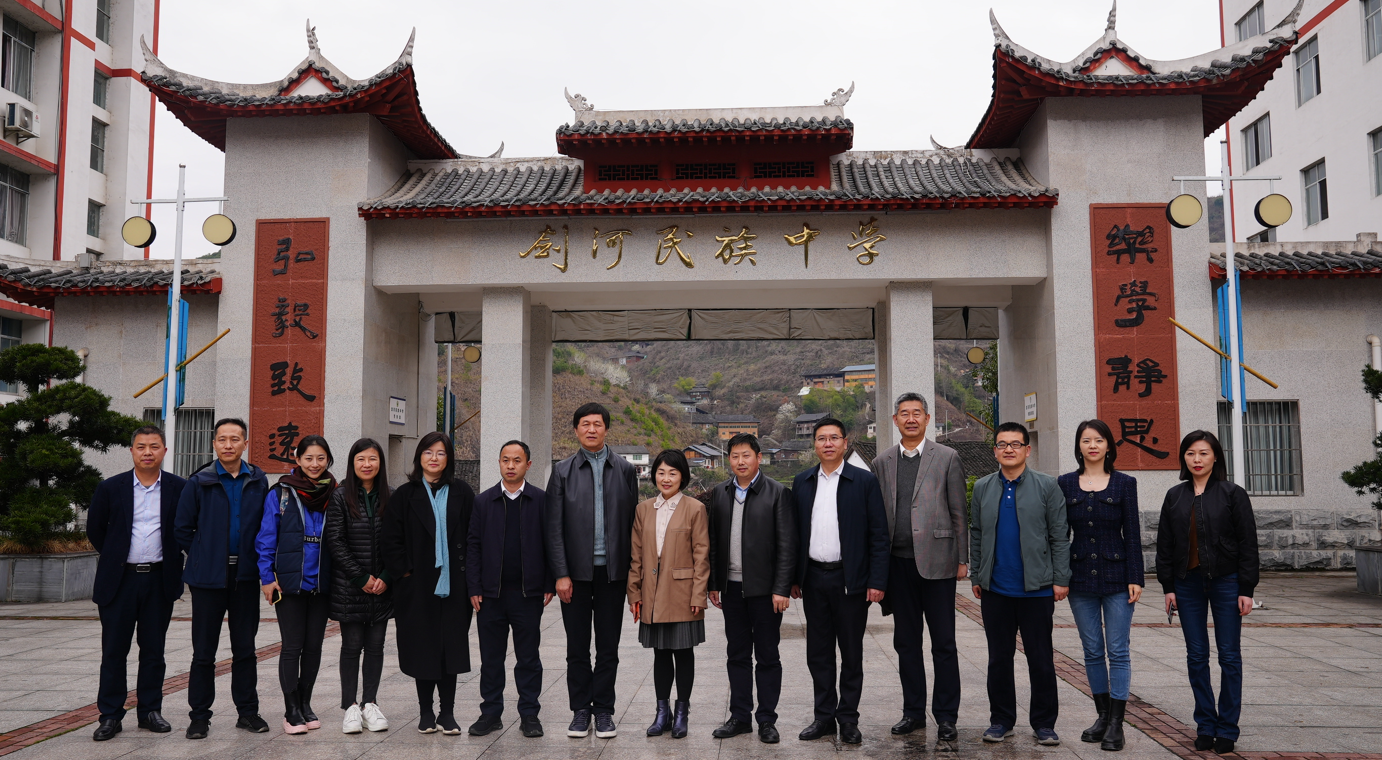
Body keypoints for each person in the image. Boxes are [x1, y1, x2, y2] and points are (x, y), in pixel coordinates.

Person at [870, 393, 967, 744]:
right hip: (898, 565)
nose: (910, 419)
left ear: (927, 418)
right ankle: (913, 712)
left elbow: (959, 511)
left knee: (944, 643)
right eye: (904, 414)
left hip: (938, 562)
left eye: (916, 413)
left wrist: (962, 558)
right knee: (906, 643)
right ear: (894, 420)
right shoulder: (881, 462)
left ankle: (946, 716)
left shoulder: (947, 457)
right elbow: (877, 516)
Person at [1156, 430, 1258, 755]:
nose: (1197, 459)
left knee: (1229, 656)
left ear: (1216, 457)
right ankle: (1205, 724)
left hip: (1227, 582)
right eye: (1190, 453)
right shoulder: (1175, 496)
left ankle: (1227, 728)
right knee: (1197, 656)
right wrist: (1168, 587)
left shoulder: (1232, 494)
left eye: (1203, 453)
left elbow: (1248, 543)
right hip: (1187, 585)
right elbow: (1165, 545)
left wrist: (1246, 588)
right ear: (1183, 458)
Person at [969, 422, 1070, 746]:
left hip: (1036, 589)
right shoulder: (983, 487)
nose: (1008, 449)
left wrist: (1060, 579)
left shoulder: (1047, 486)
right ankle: (1001, 720)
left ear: (1027, 449)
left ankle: (1044, 723)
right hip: (996, 589)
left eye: (1015, 444)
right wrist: (977, 574)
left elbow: (1059, 535)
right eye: (1002, 444)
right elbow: (976, 533)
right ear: (995, 451)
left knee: (1040, 659)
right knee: (999, 659)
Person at [791, 417, 889, 745]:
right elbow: (794, 534)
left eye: (834, 438)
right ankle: (823, 717)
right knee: (818, 652)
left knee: (851, 651)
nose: (828, 443)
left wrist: (877, 580)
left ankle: (847, 718)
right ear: (815, 445)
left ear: (845, 443)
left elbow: (878, 535)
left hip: (850, 580)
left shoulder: (864, 481)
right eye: (822, 438)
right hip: (813, 578)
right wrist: (794, 578)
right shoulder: (802, 481)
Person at [544, 402, 639, 739]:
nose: (591, 429)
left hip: (613, 574)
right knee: (577, 648)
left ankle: (604, 711)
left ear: (606, 429)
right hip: (576, 575)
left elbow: (634, 525)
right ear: (575, 430)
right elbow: (553, 528)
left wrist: (634, 577)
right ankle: (581, 710)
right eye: (585, 424)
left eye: (597, 424)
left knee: (608, 648)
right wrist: (561, 574)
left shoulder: (625, 470)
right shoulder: (562, 471)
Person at [87, 426, 187, 741]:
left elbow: (186, 529)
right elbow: (95, 529)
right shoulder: (110, 487)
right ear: (131, 451)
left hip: (159, 579)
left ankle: (150, 711)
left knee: (154, 651)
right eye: (141, 446)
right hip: (119, 581)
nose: (147, 452)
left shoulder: (179, 487)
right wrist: (116, 555)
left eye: (154, 446)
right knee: (114, 651)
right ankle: (110, 715)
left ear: (164, 451)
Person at [174, 418, 271, 739]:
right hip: (207, 579)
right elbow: (182, 528)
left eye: (235, 439)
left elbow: (266, 526)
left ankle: (248, 712)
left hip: (245, 576)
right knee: (204, 652)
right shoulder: (199, 481)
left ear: (245, 443)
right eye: (222, 439)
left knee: (245, 649)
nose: (228, 445)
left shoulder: (258, 480)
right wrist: (203, 554)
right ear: (214, 443)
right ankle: (199, 717)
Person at [1057, 419, 1144, 751]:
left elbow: (1132, 534)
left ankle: (1117, 724)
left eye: (1098, 440)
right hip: (1079, 578)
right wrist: (1059, 577)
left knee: (1118, 650)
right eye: (1086, 440)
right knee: (1092, 650)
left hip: (1118, 577)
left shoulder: (1124, 483)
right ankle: (1103, 716)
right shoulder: (1065, 483)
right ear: (1078, 447)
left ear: (1109, 446)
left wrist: (1136, 577)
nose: (1092, 446)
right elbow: (1060, 535)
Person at [382, 432, 475, 736]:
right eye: (428, 452)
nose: (434, 458)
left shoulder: (462, 492)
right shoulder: (405, 495)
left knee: (450, 649)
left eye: (441, 453)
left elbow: (473, 537)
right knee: (423, 649)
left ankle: (447, 713)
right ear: (419, 456)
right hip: (417, 587)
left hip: (455, 586)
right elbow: (391, 541)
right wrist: (405, 574)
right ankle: (425, 712)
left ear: (449, 458)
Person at [707, 433, 796, 744]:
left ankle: (767, 720)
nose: (740, 461)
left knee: (768, 656)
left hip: (766, 591)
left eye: (746, 455)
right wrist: (714, 583)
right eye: (734, 456)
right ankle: (740, 717)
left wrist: (781, 588)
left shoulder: (777, 493)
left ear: (759, 458)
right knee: (737, 655)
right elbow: (714, 542)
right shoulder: (720, 493)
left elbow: (787, 545)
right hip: (731, 589)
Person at [467, 440, 555, 739]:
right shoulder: (483, 501)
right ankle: (490, 713)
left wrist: (548, 582)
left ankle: (529, 714)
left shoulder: (541, 500)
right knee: (491, 659)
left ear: (528, 464)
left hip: (527, 594)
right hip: (490, 595)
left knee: (528, 658)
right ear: (499, 463)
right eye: (506, 459)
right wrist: (474, 586)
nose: (511, 465)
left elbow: (550, 542)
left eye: (517, 460)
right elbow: (473, 546)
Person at [257, 435, 337, 735]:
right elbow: (267, 537)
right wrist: (267, 577)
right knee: (292, 646)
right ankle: (291, 710)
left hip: (322, 582)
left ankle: (305, 703)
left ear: (328, 459)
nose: (315, 464)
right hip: (289, 583)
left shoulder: (335, 493)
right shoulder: (281, 493)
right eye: (308, 458)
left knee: (314, 647)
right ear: (298, 459)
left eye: (320, 458)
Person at [628, 449, 710, 740]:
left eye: (672, 473)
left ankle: (682, 713)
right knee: (660, 654)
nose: (666, 478)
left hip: (683, 594)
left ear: (682, 477)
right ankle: (662, 713)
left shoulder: (694, 508)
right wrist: (634, 593)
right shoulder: (643, 509)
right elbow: (636, 556)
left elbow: (702, 555)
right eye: (661, 472)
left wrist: (698, 595)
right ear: (654, 476)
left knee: (683, 653)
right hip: (651, 594)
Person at [325, 438, 393, 734]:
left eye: (372, 459)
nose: (367, 464)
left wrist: (386, 576)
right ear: (352, 463)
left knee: (376, 646)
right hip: (350, 588)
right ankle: (350, 706)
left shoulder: (391, 496)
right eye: (361, 459)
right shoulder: (340, 497)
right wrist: (361, 578)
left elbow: (399, 541)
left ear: (380, 463)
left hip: (382, 587)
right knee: (352, 646)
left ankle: (370, 703)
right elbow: (335, 541)